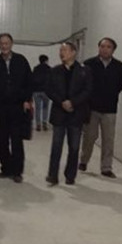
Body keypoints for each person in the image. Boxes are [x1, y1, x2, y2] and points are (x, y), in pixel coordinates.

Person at [45, 42, 92, 186]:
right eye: (60, 50)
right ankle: (52, 175)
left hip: (76, 114)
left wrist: (73, 102)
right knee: (56, 146)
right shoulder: (55, 71)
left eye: (64, 50)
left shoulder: (84, 71)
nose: (61, 53)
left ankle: (70, 175)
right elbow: (49, 90)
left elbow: (87, 90)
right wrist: (62, 102)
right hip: (59, 113)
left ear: (73, 52)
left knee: (74, 147)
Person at [79, 37, 122, 178]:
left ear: (113, 50)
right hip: (92, 108)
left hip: (110, 108)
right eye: (102, 46)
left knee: (108, 139)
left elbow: (120, 84)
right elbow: (83, 83)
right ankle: (83, 160)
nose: (105, 49)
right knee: (89, 137)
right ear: (98, 48)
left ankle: (106, 167)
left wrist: (110, 94)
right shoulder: (89, 64)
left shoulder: (119, 66)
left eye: (108, 47)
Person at [0, 34, 33, 183]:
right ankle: (6, 168)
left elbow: (29, 81)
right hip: (0, 109)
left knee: (16, 141)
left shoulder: (21, 60)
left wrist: (27, 99)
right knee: (1, 141)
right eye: (1, 43)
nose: (4, 46)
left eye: (7, 43)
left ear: (12, 44)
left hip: (17, 107)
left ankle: (17, 171)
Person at [32, 55, 52, 131]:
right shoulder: (49, 69)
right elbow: (51, 80)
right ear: (46, 60)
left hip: (36, 91)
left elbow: (32, 79)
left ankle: (38, 124)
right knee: (45, 108)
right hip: (46, 91)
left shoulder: (35, 68)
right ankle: (44, 123)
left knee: (37, 108)